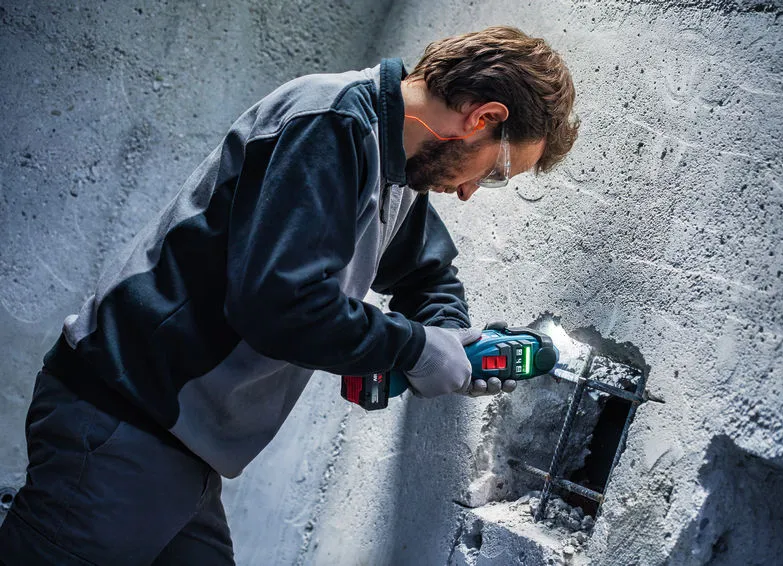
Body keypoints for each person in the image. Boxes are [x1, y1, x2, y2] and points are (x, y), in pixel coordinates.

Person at [0, 25, 578, 565]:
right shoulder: (329, 124)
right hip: (122, 423)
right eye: (499, 171)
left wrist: (452, 338)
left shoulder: (395, 165)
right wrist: (416, 351)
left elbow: (427, 276)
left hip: (181, 446)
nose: (473, 191)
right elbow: (280, 305)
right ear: (483, 117)